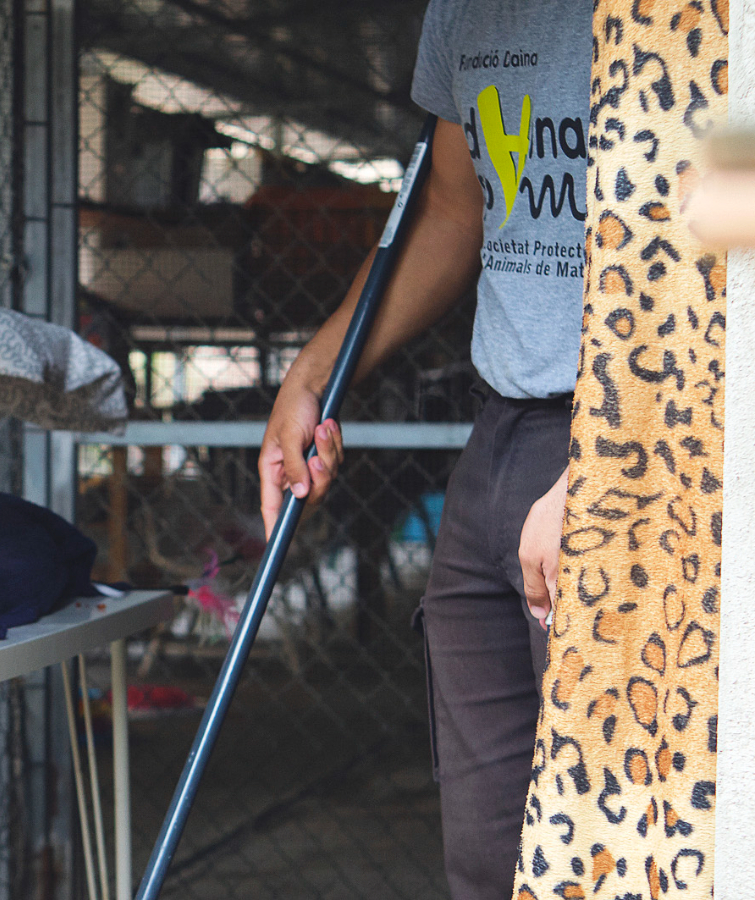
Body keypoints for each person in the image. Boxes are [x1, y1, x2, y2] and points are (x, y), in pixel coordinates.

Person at [256, 2, 590, 898]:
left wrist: (610, 458)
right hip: (499, 436)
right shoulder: (461, 11)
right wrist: (313, 375)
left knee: (616, 844)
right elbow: (452, 209)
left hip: (646, 438)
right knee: (487, 858)